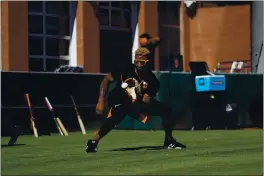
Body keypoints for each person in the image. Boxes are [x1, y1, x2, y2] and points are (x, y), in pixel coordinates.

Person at [86, 47, 187, 153]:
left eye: (142, 63)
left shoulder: (153, 81)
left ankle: (169, 140)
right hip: (118, 99)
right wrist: (100, 100)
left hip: (136, 103)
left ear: (148, 62)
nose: (138, 65)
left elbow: (146, 100)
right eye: (136, 62)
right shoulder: (125, 69)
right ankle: (93, 142)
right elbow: (106, 80)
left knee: (166, 110)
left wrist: (143, 100)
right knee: (117, 115)